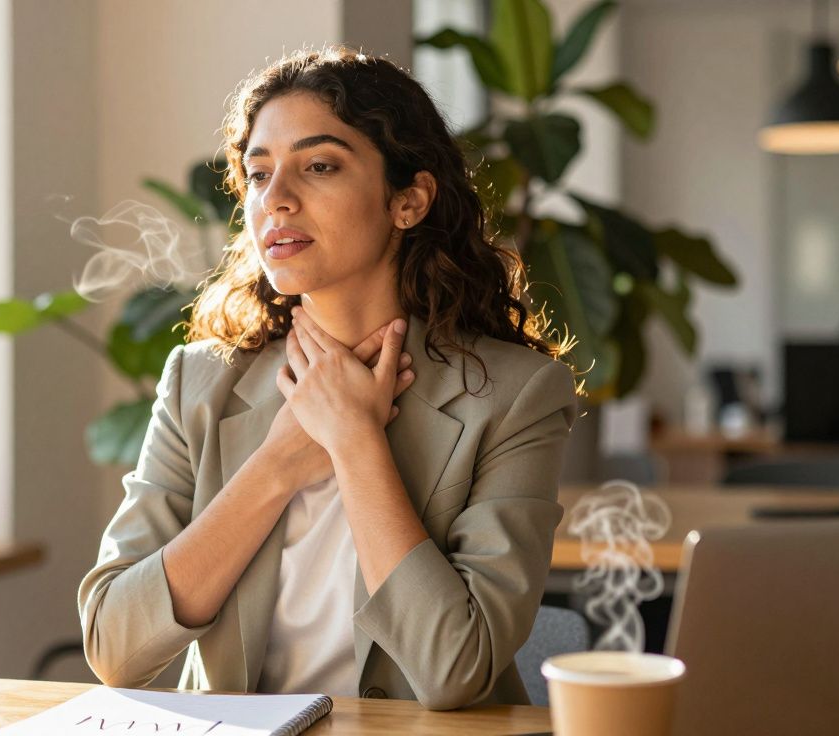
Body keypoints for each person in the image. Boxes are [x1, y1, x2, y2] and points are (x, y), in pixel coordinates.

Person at [78, 45, 577, 711]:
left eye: (318, 166)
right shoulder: (198, 382)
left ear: (408, 200)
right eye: (257, 176)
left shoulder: (515, 396)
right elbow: (114, 646)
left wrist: (354, 441)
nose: (275, 200)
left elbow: (455, 669)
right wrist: (278, 464)